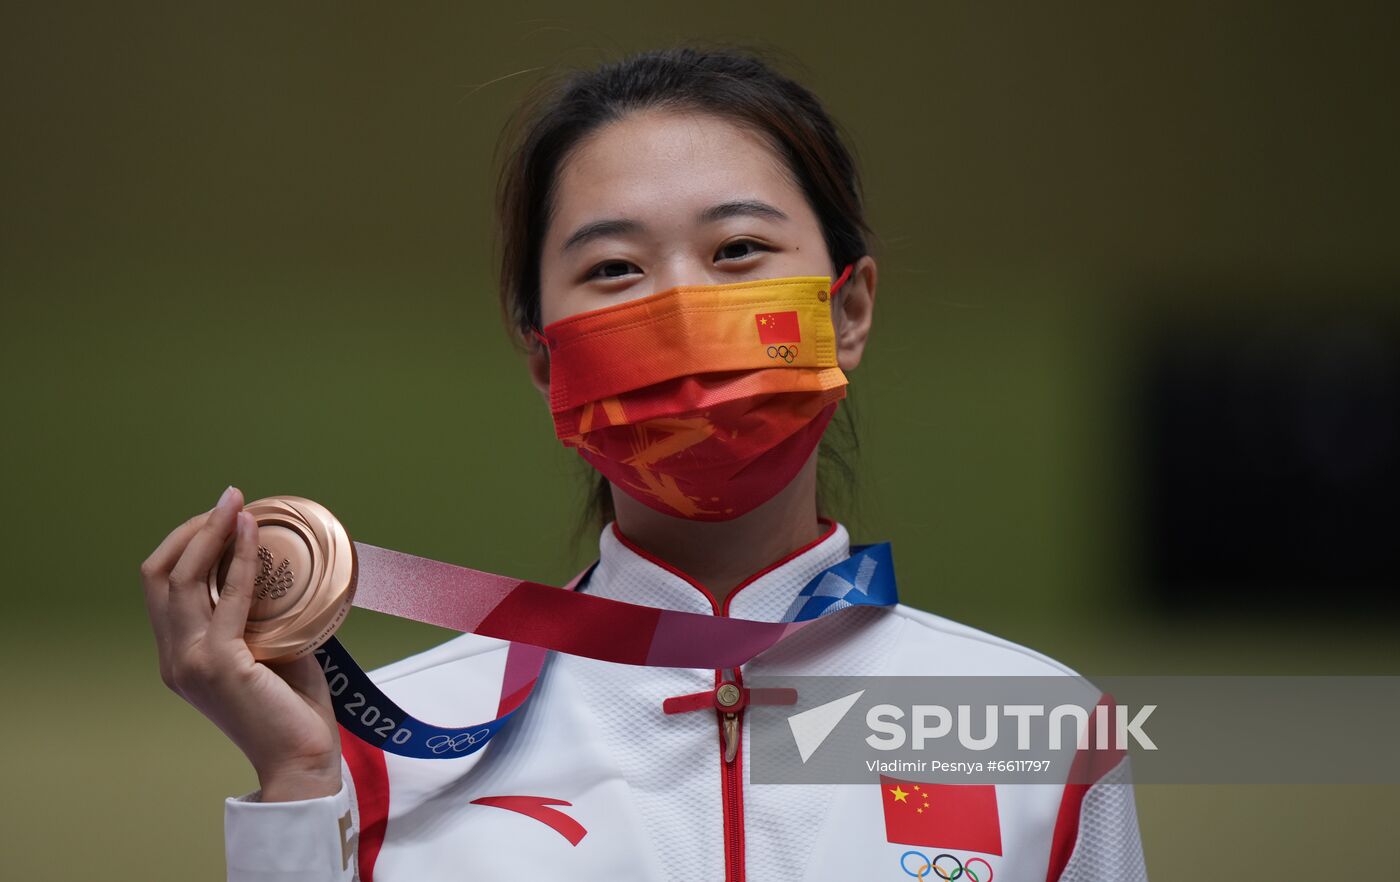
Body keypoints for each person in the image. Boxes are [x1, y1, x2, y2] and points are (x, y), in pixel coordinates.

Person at [140, 45, 1148, 882]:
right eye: (613, 270)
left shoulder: (1034, 731)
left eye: (738, 251)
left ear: (846, 311)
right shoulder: (385, 748)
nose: (676, 312)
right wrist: (298, 782)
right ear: (543, 358)